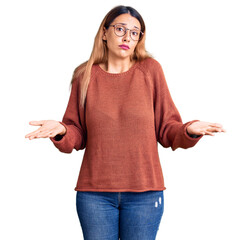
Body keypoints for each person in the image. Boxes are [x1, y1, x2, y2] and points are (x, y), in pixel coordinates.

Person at [25, 5, 226, 240]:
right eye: (120, 29)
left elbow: (167, 129)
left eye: (134, 32)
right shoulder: (84, 75)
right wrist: (61, 131)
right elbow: (77, 134)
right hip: (95, 195)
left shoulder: (150, 70)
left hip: (145, 193)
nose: (126, 37)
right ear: (104, 32)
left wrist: (188, 130)